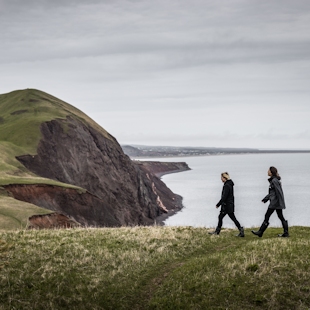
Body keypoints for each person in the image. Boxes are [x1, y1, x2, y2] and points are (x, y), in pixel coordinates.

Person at [251, 166, 289, 238]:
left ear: (271, 172)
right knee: (280, 216)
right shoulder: (274, 180)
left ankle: (260, 232)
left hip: (275, 203)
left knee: (267, 216)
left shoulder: (274, 181)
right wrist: (266, 199)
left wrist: (279, 203)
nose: (267, 172)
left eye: (268, 171)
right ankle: (286, 233)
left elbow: (279, 192)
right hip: (276, 202)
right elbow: (272, 193)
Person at [209, 172, 244, 237]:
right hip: (229, 204)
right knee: (230, 218)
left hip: (226, 205)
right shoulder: (229, 184)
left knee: (222, 217)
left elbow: (224, 197)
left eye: (221, 178)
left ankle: (217, 232)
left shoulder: (226, 186)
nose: (221, 179)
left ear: (224, 178)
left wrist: (218, 204)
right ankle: (241, 230)